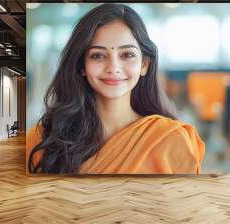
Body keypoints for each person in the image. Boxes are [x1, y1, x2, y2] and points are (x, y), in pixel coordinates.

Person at [27, 3, 205, 174]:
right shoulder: (43, 140)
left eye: (127, 55)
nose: (113, 67)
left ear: (144, 65)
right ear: (82, 66)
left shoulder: (171, 139)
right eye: (98, 55)